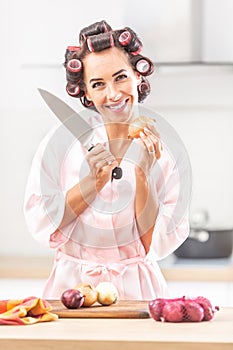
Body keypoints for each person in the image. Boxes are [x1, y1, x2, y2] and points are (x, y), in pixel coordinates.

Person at [24, 20, 191, 300]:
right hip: (71, 290)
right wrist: (91, 183)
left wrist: (142, 175)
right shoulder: (62, 143)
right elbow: (42, 222)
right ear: (86, 92)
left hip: (138, 294)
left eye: (121, 77)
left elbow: (155, 244)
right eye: (98, 84)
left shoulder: (165, 152)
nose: (113, 94)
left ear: (138, 75)